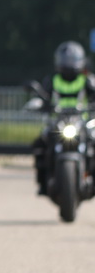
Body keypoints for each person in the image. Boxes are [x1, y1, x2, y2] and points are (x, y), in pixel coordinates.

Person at [33, 40, 90, 195]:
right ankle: (43, 182)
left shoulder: (86, 80)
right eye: (66, 60)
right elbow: (43, 97)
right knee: (40, 143)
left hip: (80, 122)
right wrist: (41, 104)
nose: (69, 64)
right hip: (59, 121)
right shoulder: (53, 80)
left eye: (72, 60)